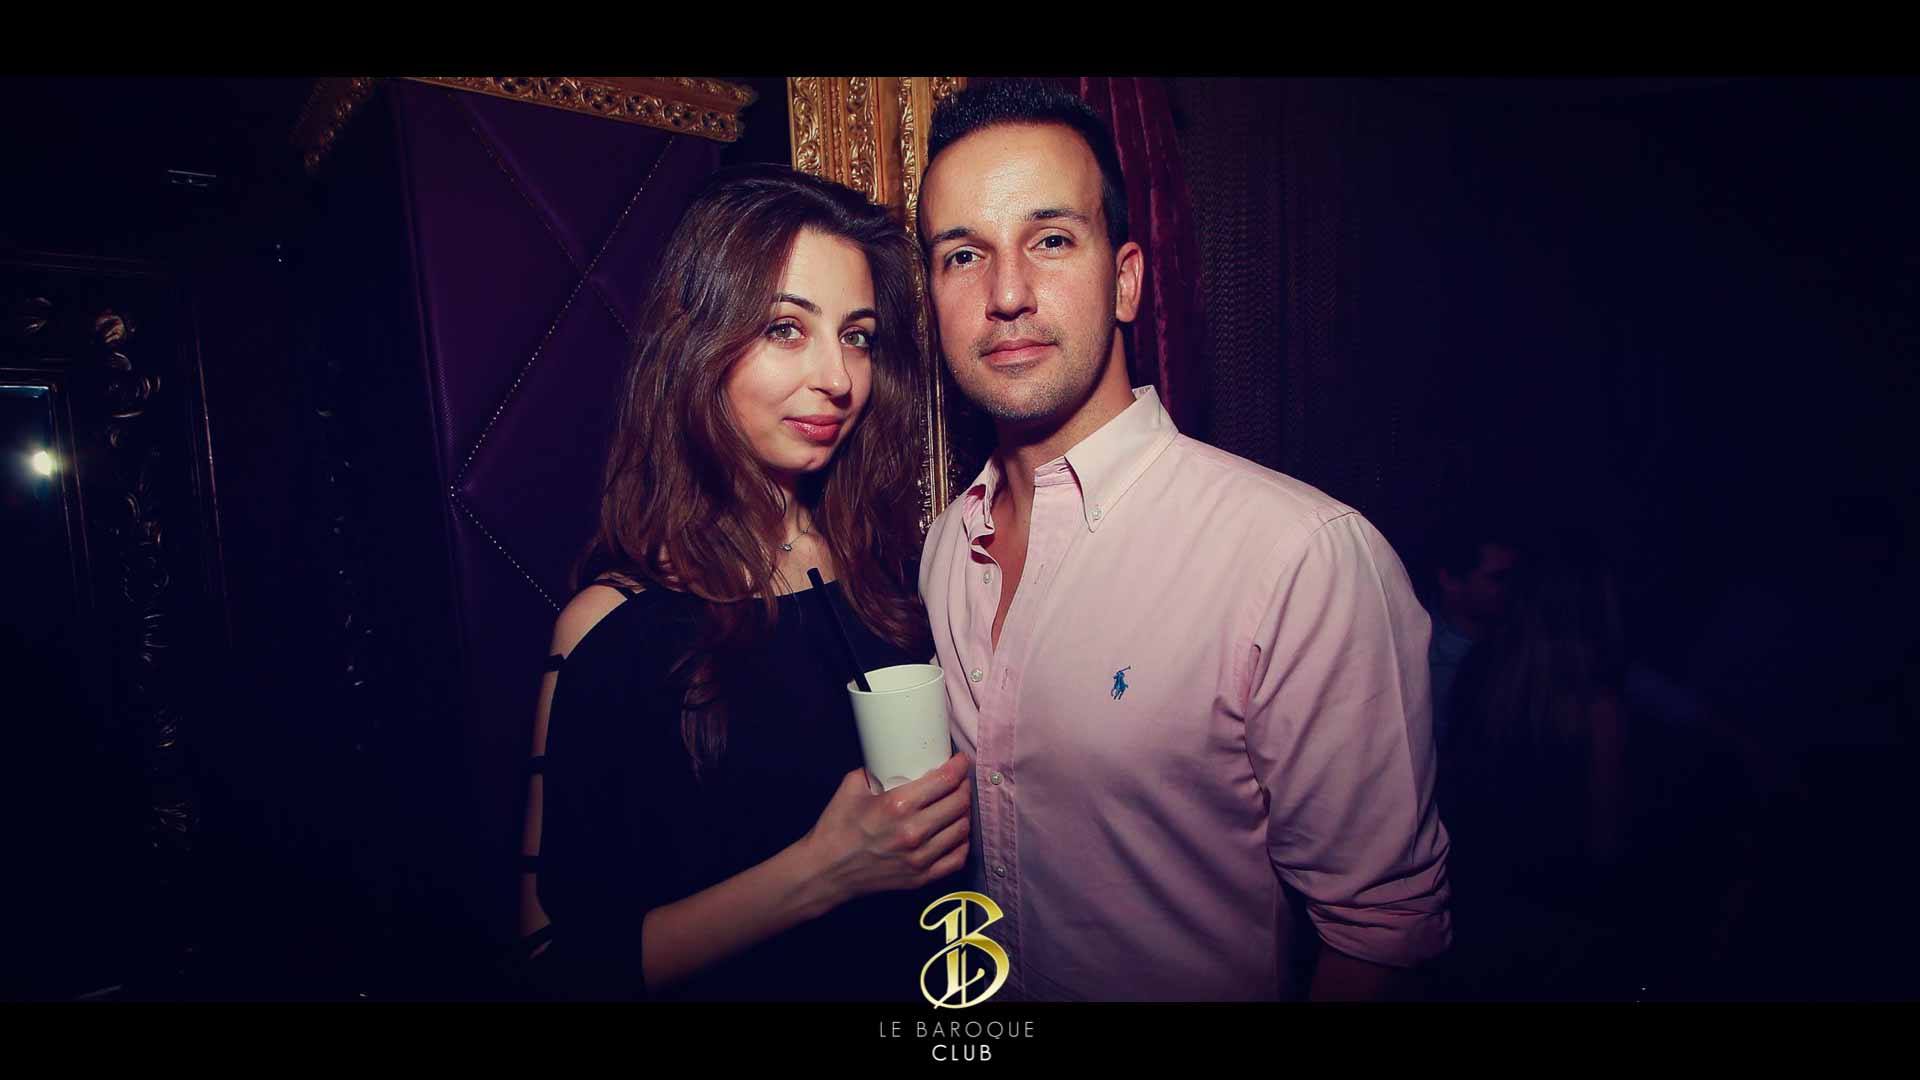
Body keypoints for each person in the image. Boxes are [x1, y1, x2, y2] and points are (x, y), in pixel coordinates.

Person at [915, 80, 1451, 1002]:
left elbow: (1382, 935)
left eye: (1051, 240)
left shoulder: (1298, 560)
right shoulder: (944, 548)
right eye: (963, 255)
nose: (1005, 294)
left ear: (1125, 280)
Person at [516, 165, 972, 1001]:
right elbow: (557, 963)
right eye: (786, 329)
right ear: (697, 346)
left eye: (858, 336)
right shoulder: (614, 626)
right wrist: (825, 870)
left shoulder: (894, 575)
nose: (838, 377)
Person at [1423, 523, 1521, 748]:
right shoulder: (1416, 654)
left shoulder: (1523, 648)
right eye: (1497, 578)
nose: (1510, 588)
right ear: (1449, 580)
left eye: (1513, 577)